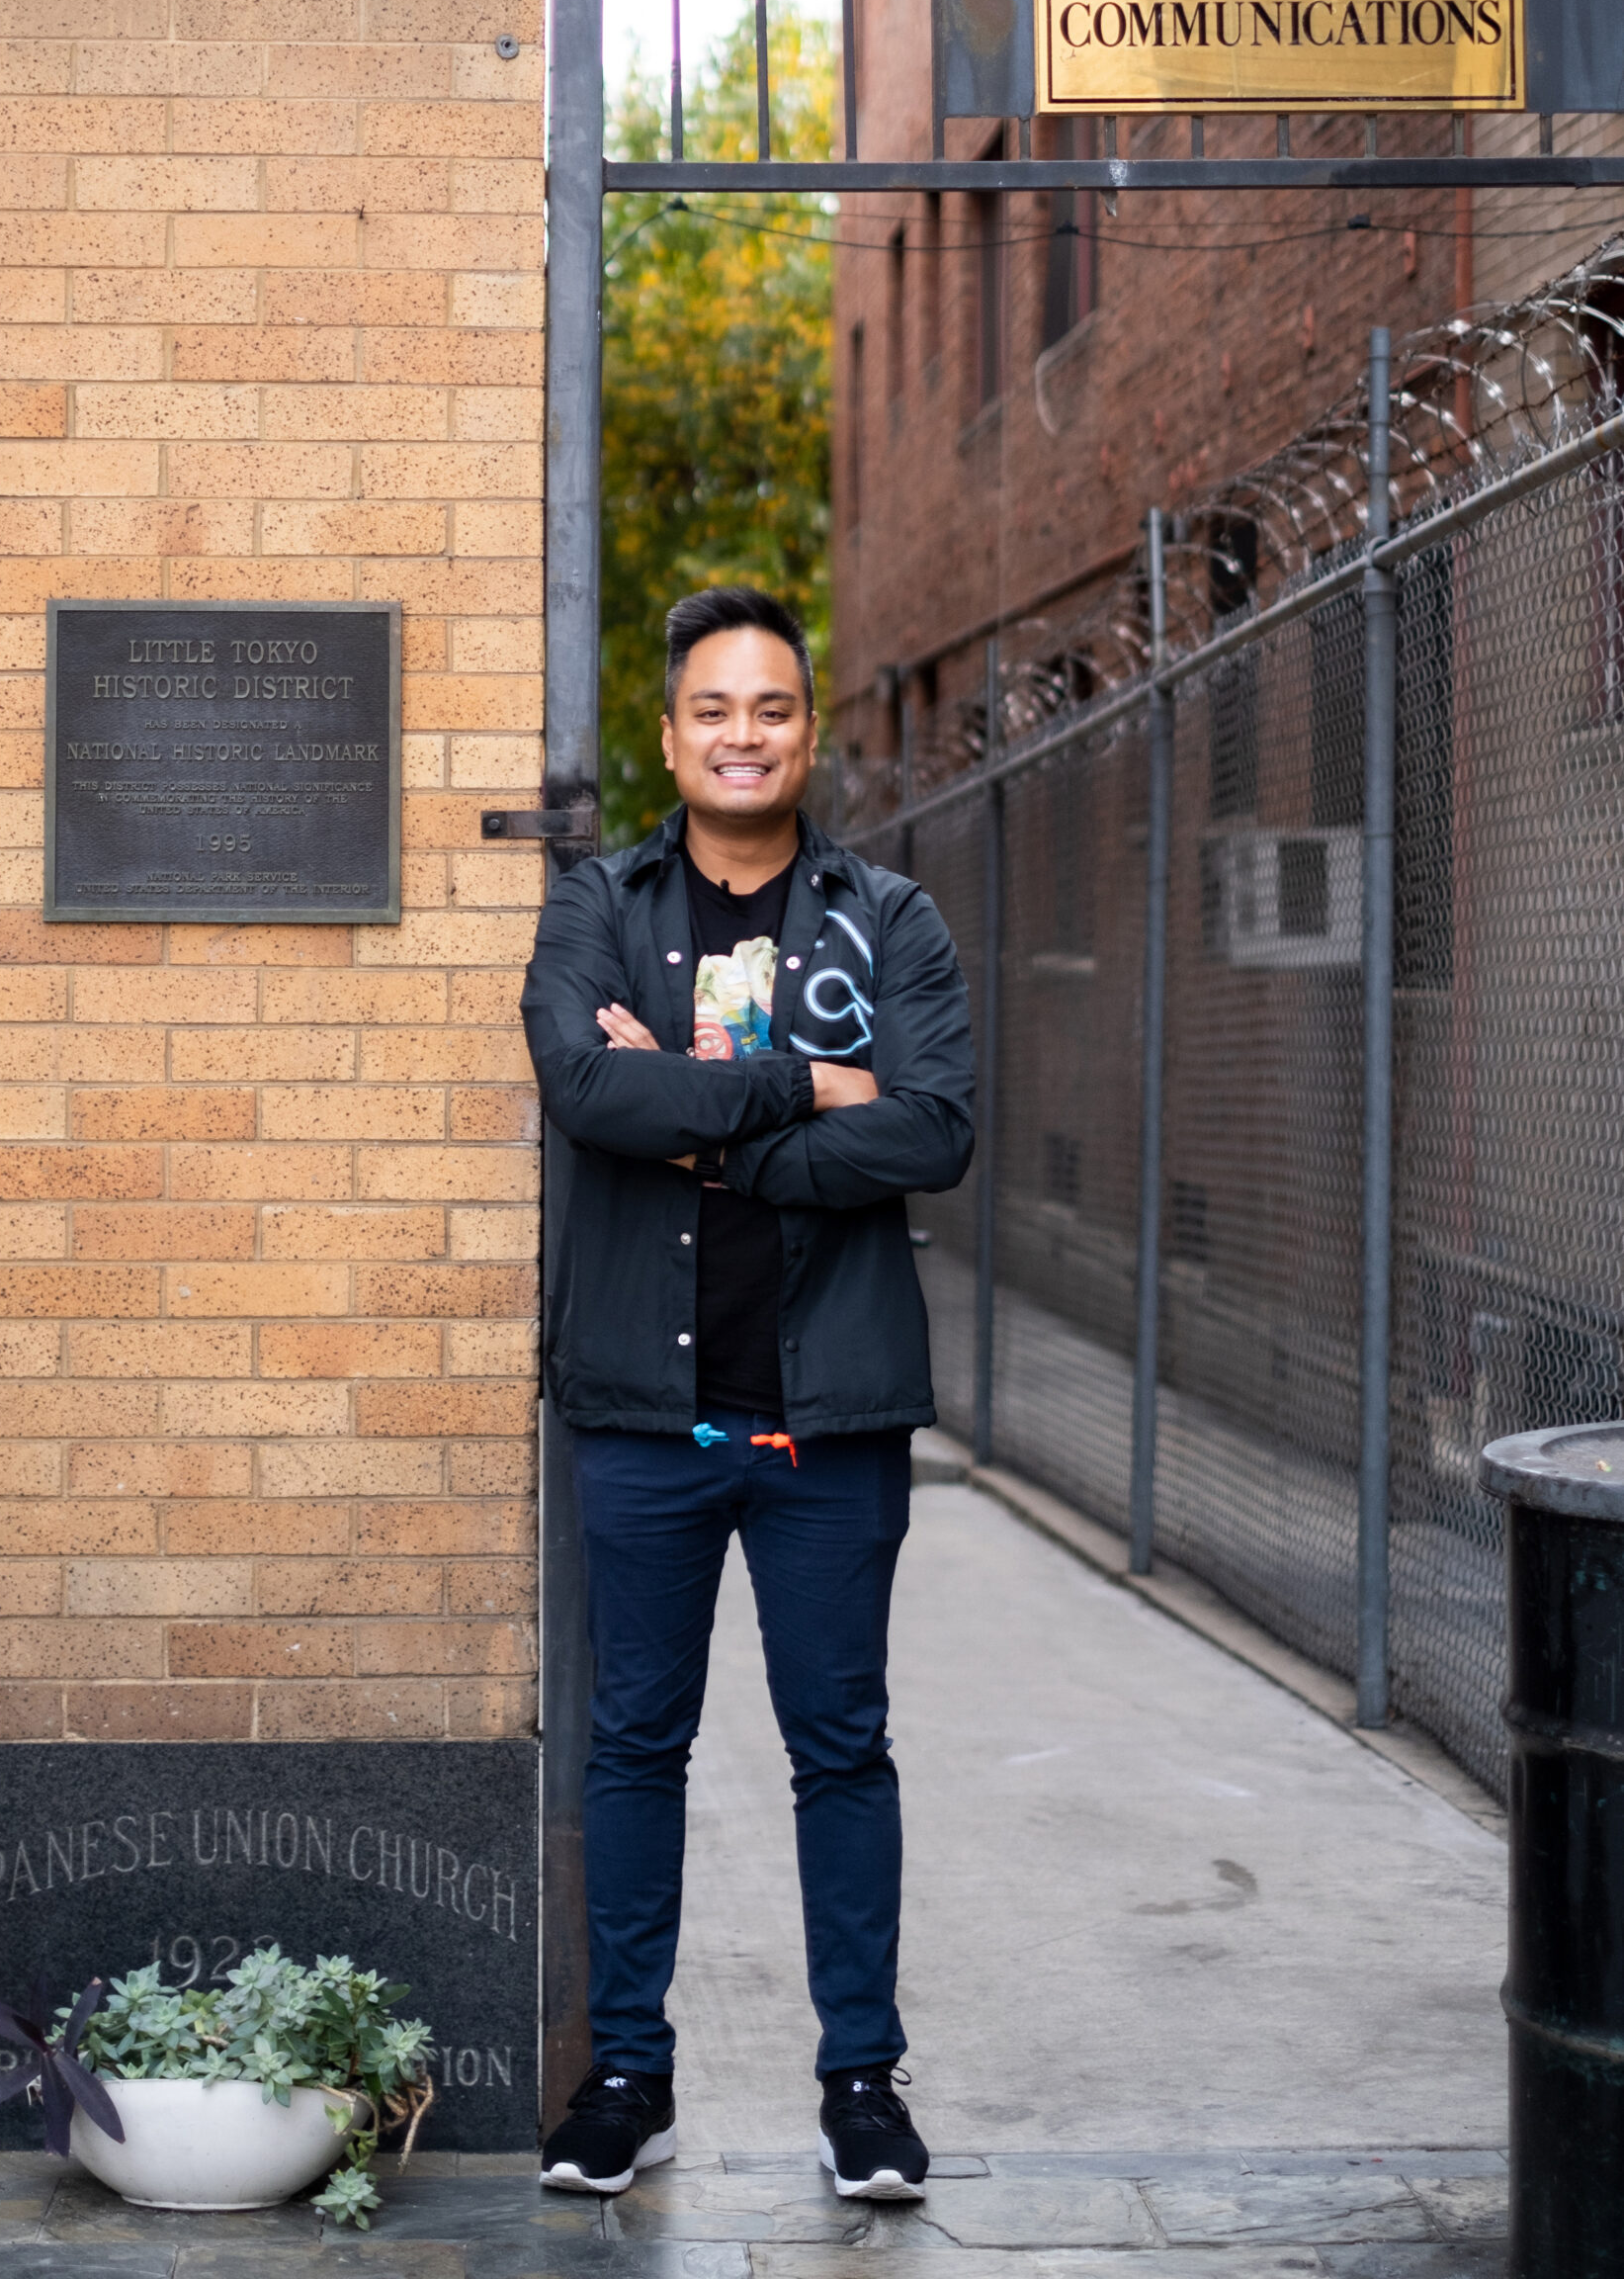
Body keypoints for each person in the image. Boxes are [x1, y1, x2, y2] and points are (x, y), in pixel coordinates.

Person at [521, 586, 975, 2202]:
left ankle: (861, 2083)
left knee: (837, 1747)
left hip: (827, 1414)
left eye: (770, 708)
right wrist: (796, 1087)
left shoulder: (886, 920)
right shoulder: (596, 906)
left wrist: (697, 1112)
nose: (740, 734)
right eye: (711, 708)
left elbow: (928, 1133)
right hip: (642, 1416)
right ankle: (625, 2079)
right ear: (669, 734)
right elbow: (584, 1087)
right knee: (635, 1744)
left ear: (804, 726)